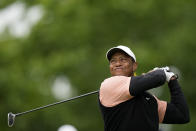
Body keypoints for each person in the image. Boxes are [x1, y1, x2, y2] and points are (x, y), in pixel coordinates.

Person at [98, 45, 190, 131]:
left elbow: (181, 114)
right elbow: (158, 77)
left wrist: (172, 80)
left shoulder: (148, 99)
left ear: (134, 66)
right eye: (113, 61)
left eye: (123, 60)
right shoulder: (108, 85)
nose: (117, 63)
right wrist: (160, 73)